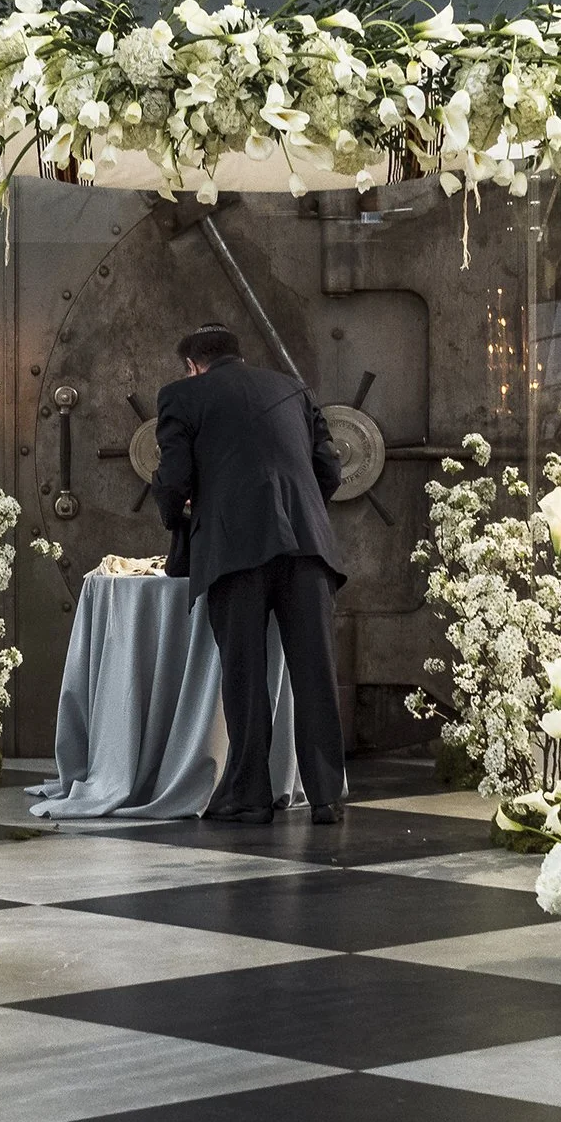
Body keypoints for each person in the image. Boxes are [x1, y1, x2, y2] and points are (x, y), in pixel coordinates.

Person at [150, 323, 348, 824]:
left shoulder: (182, 396)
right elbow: (330, 469)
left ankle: (252, 795)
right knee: (316, 673)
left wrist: (181, 518)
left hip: (234, 549)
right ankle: (325, 796)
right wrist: (299, 509)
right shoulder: (292, 388)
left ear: (193, 365)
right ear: (236, 355)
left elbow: (174, 480)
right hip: (306, 546)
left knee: (245, 674)